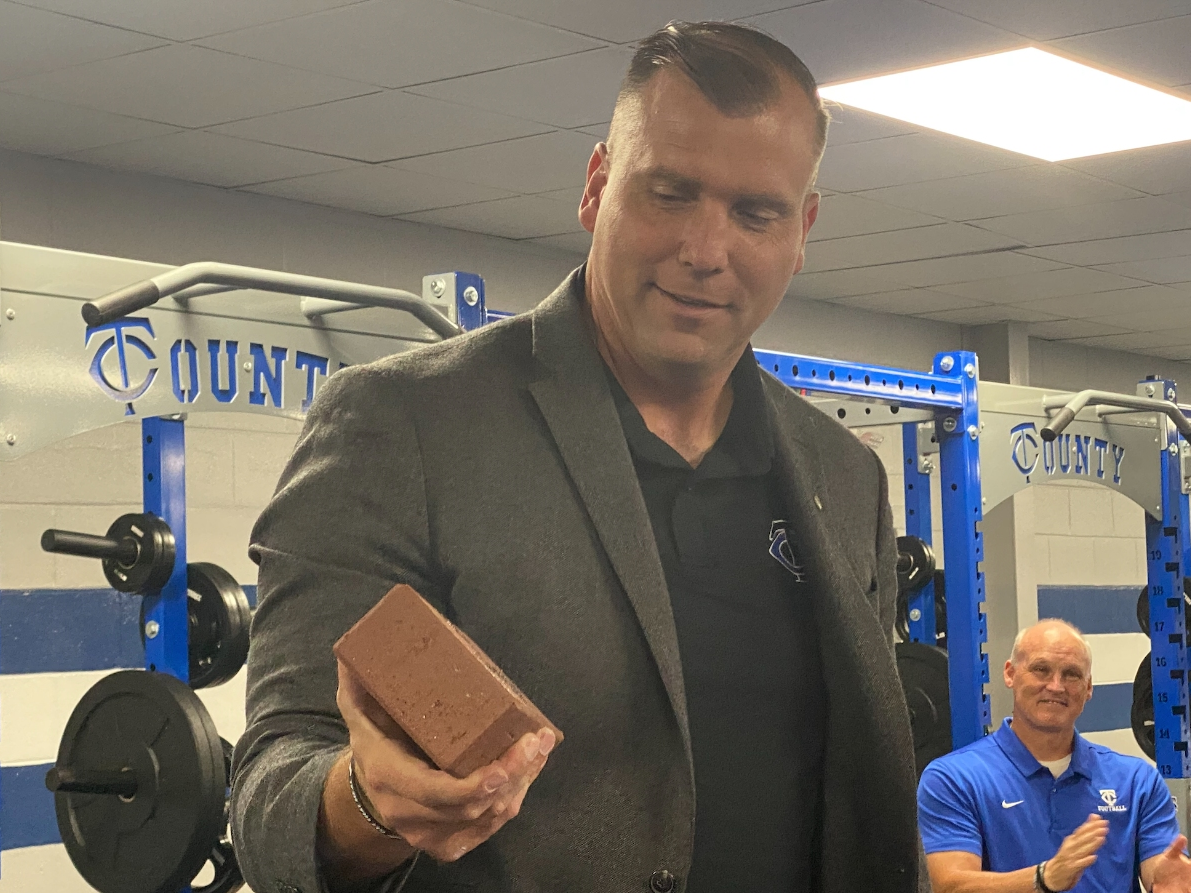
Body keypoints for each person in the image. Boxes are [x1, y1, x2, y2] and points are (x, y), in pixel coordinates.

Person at [231, 21, 925, 893]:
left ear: (801, 229)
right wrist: (368, 804)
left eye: (755, 213)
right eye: (669, 193)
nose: (705, 251)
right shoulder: (404, 423)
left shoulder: (843, 476)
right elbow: (267, 796)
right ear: (598, 186)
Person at [918, 619, 1191, 893]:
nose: (1056, 686)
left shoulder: (1136, 780)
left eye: (1071, 674)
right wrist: (1043, 878)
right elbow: (950, 886)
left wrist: (1167, 880)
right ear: (1010, 674)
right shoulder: (953, 779)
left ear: (1088, 688)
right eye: (1041, 669)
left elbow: (1162, 869)